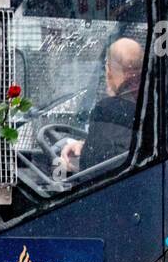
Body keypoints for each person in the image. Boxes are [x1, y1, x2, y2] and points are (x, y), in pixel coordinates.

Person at [60, 37, 145, 174]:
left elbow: (91, 172)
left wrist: (68, 165)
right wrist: (84, 145)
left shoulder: (108, 110)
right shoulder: (152, 101)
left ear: (109, 71)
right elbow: (123, 148)